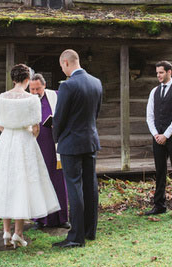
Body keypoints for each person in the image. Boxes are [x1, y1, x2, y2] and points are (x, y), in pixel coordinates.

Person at [0, 64, 60, 248]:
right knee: (23, 184)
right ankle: (18, 233)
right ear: (28, 79)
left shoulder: (1, 98)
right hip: (25, 140)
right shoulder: (32, 99)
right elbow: (36, 127)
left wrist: (10, 132)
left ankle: (6, 232)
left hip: (6, 141)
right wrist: (31, 137)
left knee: (6, 183)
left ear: (13, 79)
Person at [52, 49, 103, 248]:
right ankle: (90, 231)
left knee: (74, 187)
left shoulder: (67, 86)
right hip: (90, 140)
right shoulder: (96, 82)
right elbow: (95, 113)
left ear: (66, 62)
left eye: (61, 66)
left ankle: (75, 237)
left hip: (71, 143)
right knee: (90, 185)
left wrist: (56, 138)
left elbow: (60, 117)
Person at [143, 60, 172, 219]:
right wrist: (156, 134)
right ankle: (159, 205)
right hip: (157, 137)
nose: (158, 76)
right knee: (160, 171)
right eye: (157, 73)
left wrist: (166, 135)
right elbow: (149, 116)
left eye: (161, 72)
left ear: (169, 72)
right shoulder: (154, 91)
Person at [29, 73, 71, 230]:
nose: (34, 92)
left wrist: (58, 123)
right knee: (38, 181)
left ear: (44, 86)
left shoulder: (56, 96)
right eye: (32, 89)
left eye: (37, 89)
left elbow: (67, 111)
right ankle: (39, 219)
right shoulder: (26, 100)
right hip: (35, 146)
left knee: (58, 181)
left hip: (54, 146)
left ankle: (61, 218)